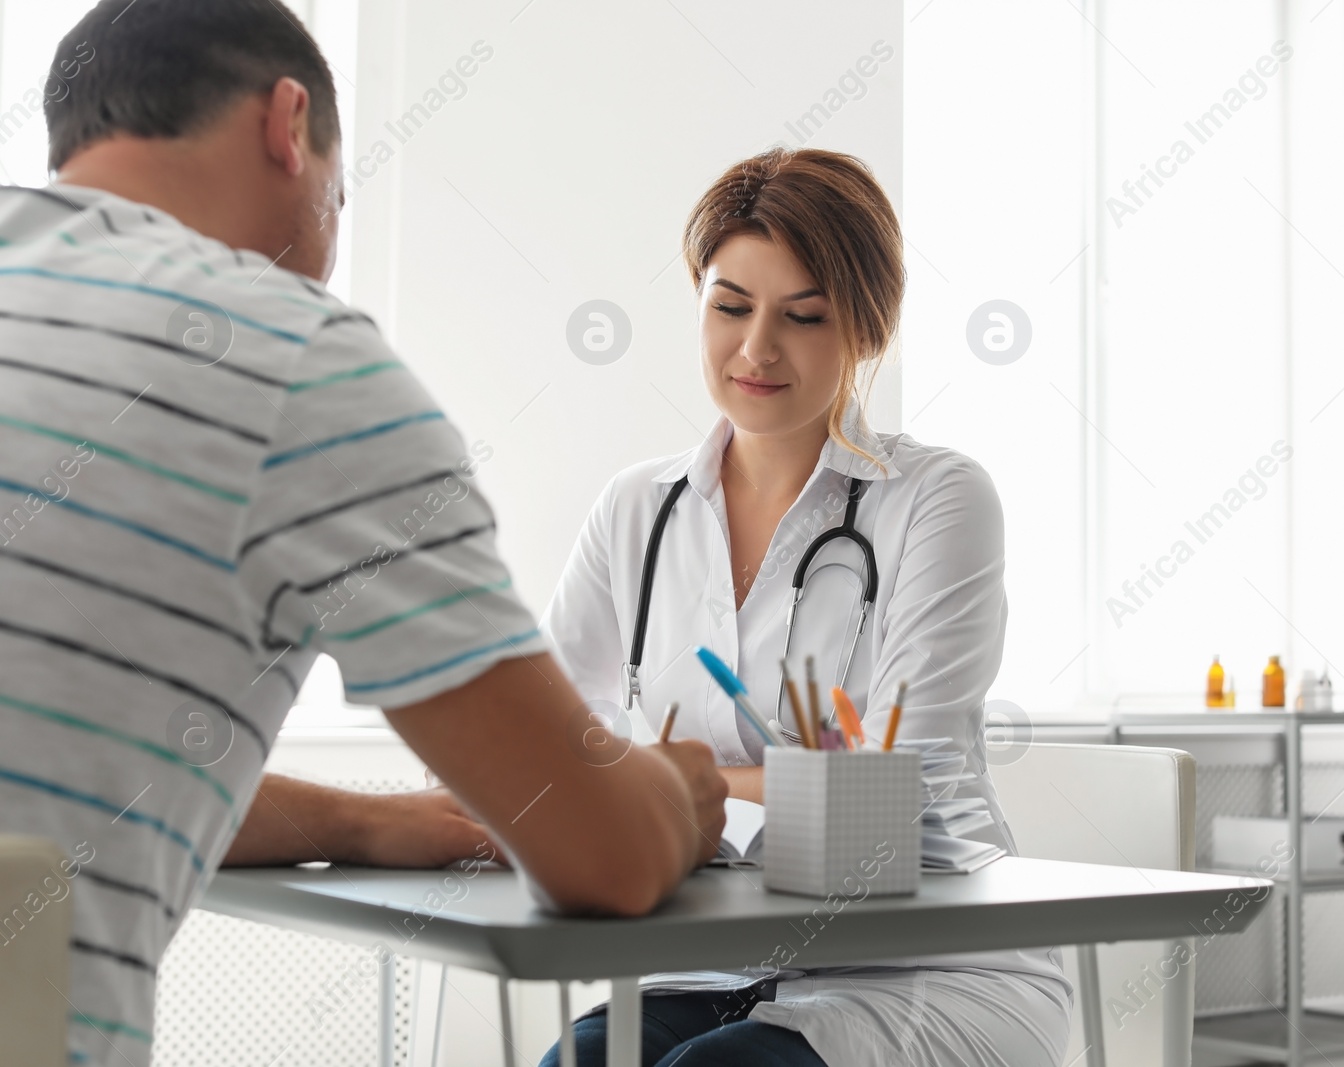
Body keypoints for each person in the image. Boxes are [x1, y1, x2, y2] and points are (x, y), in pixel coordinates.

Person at [0, 2, 725, 1064]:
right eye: (341, 195)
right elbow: (604, 858)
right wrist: (677, 791)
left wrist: (359, 821)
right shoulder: (287, 353)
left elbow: (64, 760)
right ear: (288, 125)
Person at [537, 148, 1071, 1067]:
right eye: (730, 305)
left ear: (868, 326)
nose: (756, 349)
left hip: (925, 966)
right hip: (700, 965)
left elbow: (902, 796)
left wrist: (662, 787)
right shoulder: (638, 510)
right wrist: (747, 791)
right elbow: (551, 754)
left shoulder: (938, 500)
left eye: (805, 315)